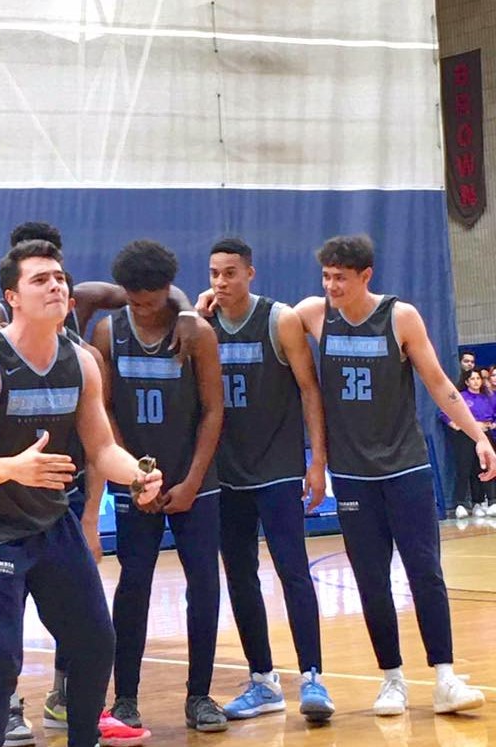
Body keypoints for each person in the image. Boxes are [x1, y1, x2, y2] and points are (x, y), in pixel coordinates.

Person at [0, 238, 162, 747]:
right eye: (40, 279)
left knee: (94, 642)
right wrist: (13, 468)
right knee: (0, 657)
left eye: (60, 278)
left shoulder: (82, 362)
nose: (56, 286)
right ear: (12, 296)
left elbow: (102, 447)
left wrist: (137, 475)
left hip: (51, 522)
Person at [291, 234, 495, 716]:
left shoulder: (399, 317)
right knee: (371, 580)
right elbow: (265, 321)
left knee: (425, 572)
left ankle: (444, 678)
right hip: (353, 473)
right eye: (326, 276)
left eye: (341, 277)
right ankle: (392, 680)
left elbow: (441, 385)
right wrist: (208, 303)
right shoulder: (314, 313)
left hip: (405, 466)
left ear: (366, 276)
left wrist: (479, 437)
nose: (331, 285)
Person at [92, 240, 226, 734]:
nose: (141, 307)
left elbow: (214, 409)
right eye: (133, 300)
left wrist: (192, 480)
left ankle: (201, 696)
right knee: (133, 586)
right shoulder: (108, 332)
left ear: (167, 290)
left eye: (149, 300)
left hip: (194, 481)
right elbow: (103, 408)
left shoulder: (198, 334)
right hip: (136, 482)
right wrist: (131, 474)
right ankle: (125, 697)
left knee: (204, 584)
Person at [203, 238, 334, 722]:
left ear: (250, 273)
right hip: (227, 475)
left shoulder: (280, 320)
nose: (221, 281)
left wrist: (315, 462)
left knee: (293, 572)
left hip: (278, 471)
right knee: (239, 577)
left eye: (230, 272)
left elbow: (310, 391)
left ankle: (313, 677)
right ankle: (263, 681)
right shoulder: (202, 325)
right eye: (215, 272)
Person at [0, 222, 199, 350]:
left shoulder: (82, 298)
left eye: (53, 270)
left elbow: (148, 290)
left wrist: (187, 312)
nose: (50, 284)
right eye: (38, 277)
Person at [441, 368, 495, 518]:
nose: (476, 381)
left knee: (484, 468)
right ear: (466, 381)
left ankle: (483, 502)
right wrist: (454, 423)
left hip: (485, 436)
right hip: (465, 437)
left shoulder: (488, 397)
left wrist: (490, 424)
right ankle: (460, 504)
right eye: (472, 379)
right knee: (464, 469)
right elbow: (444, 412)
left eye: (478, 378)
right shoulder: (461, 397)